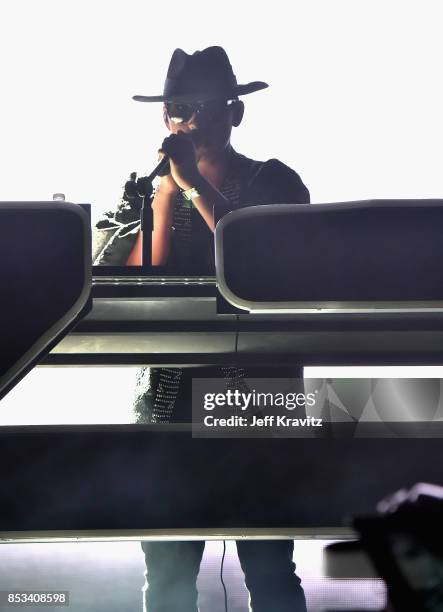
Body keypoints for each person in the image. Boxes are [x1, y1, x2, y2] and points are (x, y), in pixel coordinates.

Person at [94, 46, 310, 612]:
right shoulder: (143, 190)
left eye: (206, 107)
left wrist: (191, 183)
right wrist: (165, 197)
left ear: (235, 113)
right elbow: (133, 288)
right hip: (166, 400)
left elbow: (262, 261)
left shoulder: (276, 182)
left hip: (254, 401)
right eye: (177, 109)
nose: (189, 121)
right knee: (166, 573)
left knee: (269, 569)